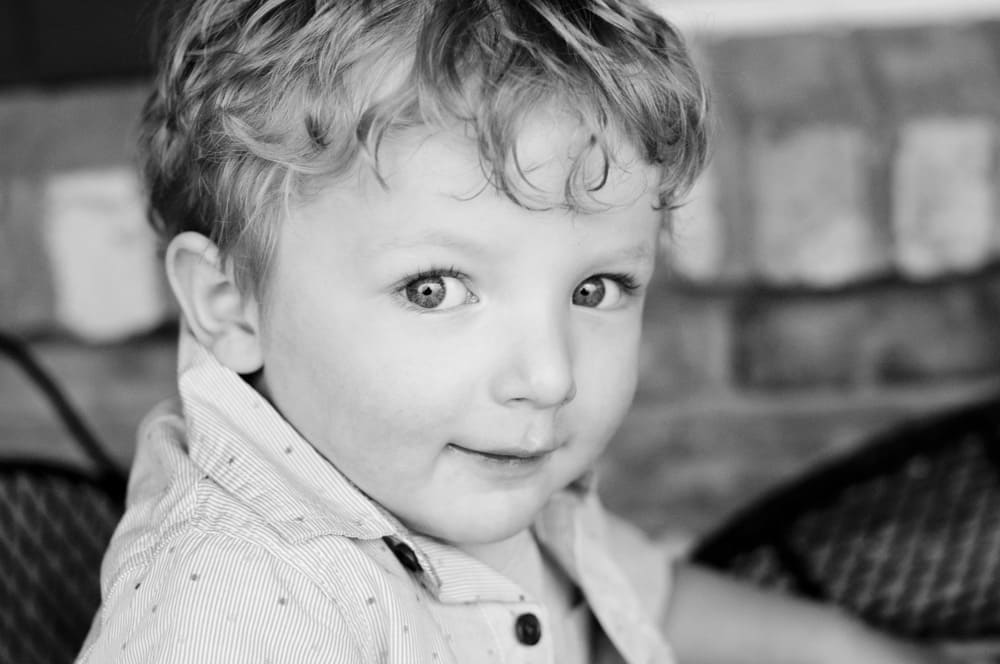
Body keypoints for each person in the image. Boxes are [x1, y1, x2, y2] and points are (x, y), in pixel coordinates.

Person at [77, 0, 947, 661]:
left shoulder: (448, 467)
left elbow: (651, 597)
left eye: (598, 286)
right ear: (230, 304)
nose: (549, 375)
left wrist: (858, 650)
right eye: (433, 289)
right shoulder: (248, 612)